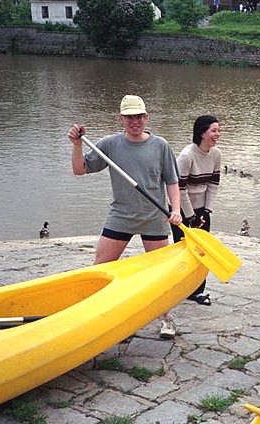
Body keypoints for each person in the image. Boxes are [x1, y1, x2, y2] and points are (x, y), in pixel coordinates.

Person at [68, 95, 183, 339]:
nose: (135, 121)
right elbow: (79, 170)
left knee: (159, 273)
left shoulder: (160, 145)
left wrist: (175, 210)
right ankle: (94, 314)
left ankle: (166, 319)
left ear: (146, 117)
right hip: (121, 215)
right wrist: (77, 144)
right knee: (101, 268)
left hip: (155, 216)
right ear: (122, 119)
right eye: (130, 117)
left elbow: (172, 181)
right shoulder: (109, 144)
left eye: (139, 116)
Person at [170, 115, 222, 306]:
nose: (217, 134)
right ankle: (180, 287)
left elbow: (213, 184)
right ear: (202, 133)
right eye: (213, 131)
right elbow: (179, 189)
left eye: (218, 130)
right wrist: (190, 216)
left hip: (201, 209)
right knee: (183, 250)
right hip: (181, 209)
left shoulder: (216, 154)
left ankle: (198, 291)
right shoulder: (186, 156)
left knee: (202, 251)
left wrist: (206, 211)